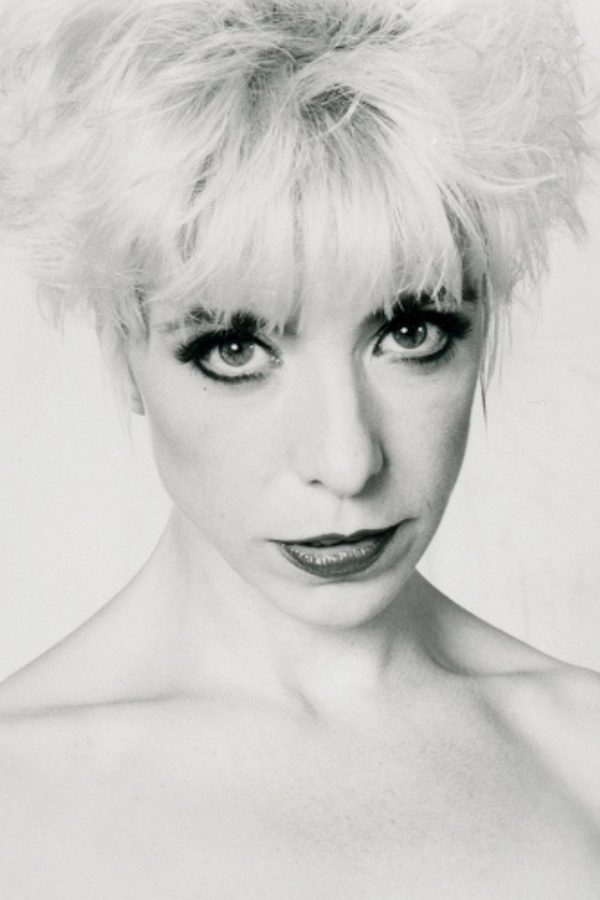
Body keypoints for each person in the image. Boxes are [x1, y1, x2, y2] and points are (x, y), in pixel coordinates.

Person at [0, 0, 598, 896]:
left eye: (410, 333)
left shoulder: (585, 756)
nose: (347, 462)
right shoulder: (16, 801)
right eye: (236, 350)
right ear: (124, 352)